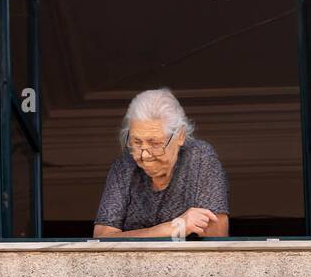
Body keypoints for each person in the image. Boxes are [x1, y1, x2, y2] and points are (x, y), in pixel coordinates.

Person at [92, 88, 231, 239]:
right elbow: (101, 238)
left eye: (155, 143)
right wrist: (173, 227)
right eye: (136, 142)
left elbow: (216, 237)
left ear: (180, 136)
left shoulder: (199, 157)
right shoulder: (124, 165)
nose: (144, 155)